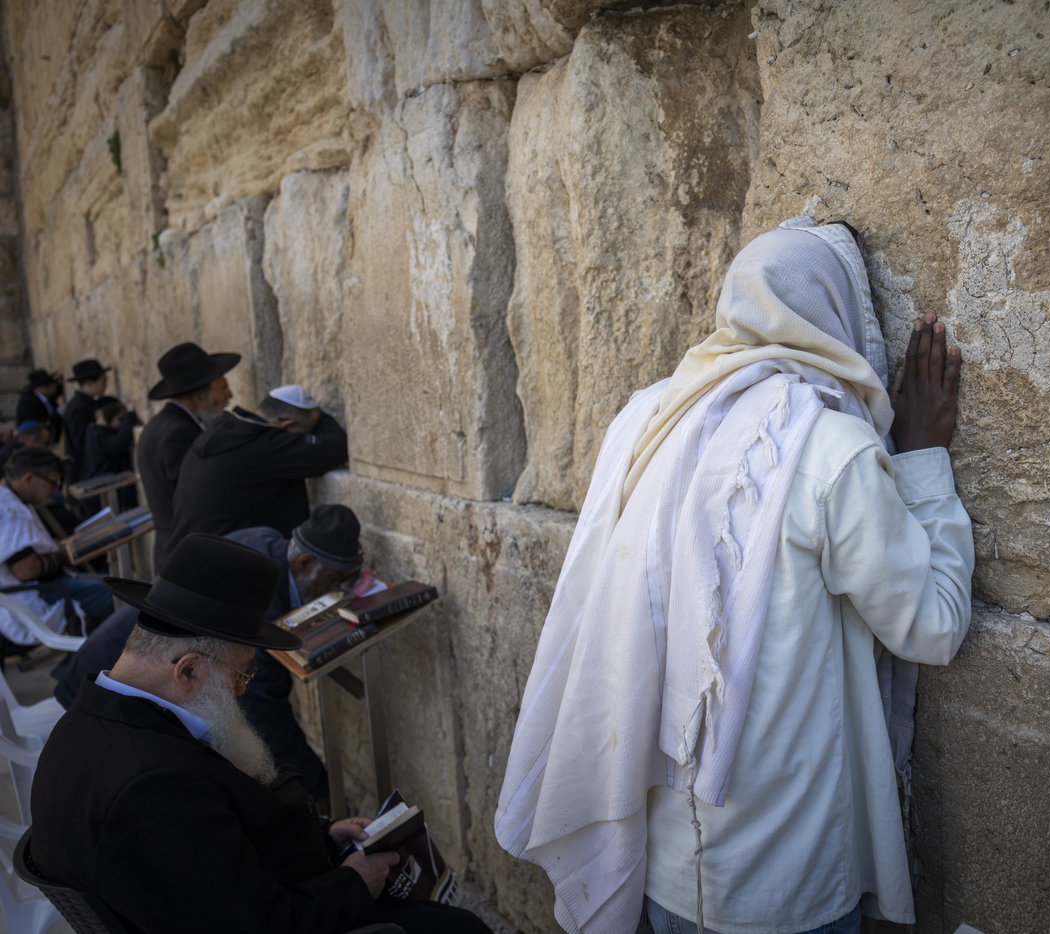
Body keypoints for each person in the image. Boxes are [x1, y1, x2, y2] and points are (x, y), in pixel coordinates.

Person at [496, 217, 974, 933]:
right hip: (786, 881)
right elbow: (932, 626)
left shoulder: (645, 420)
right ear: (842, 318)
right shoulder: (830, 447)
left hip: (662, 867)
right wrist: (921, 458)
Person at [28, 534, 489, 934]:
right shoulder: (153, 786)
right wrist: (353, 882)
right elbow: (254, 928)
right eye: (241, 675)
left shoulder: (90, 722)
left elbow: (209, 858)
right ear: (187, 670)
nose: (240, 692)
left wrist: (323, 836)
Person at [53, 504, 367, 801]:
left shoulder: (268, 547)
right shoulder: (143, 769)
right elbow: (263, 709)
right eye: (242, 674)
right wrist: (316, 789)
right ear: (305, 563)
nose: (241, 687)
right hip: (99, 677)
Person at [166, 385, 347, 555]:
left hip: (187, 557)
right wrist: (318, 415)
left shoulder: (224, 431)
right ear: (289, 426)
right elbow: (336, 447)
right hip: (217, 564)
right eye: (308, 432)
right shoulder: (265, 445)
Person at [137, 341, 239, 570]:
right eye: (222, 388)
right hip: (185, 556)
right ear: (199, 396)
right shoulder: (178, 433)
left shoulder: (161, 425)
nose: (229, 395)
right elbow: (193, 501)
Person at [0, 448, 113, 644]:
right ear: (29, 478)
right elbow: (25, 569)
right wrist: (62, 554)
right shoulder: (9, 509)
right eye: (53, 482)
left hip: (46, 587)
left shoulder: (10, 500)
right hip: (39, 595)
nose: (56, 489)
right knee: (121, 597)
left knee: (115, 583)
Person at [78, 397, 141, 508]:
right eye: (120, 419)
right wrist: (130, 416)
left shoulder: (96, 432)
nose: (121, 424)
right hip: (103, 495)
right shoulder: (98, 435)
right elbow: (120, 443)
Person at [62, 358, 111, 482]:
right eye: (102, 381)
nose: (105, 384)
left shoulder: (85, 403)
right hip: (87, 473)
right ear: (89, 383)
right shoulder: (78, 408)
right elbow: (81, 443)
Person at [15, 369, 62, 446]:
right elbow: (40, 423)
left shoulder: (42, 396)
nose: (53, 387)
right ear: (40, 387)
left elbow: (54, 395)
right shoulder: (28, 402)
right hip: (35, 442)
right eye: (49, 385)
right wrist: (58, 414)